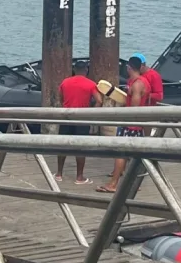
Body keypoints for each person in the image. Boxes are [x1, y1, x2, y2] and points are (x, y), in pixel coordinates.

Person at [98, 54, 150, 192]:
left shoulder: (138, 84)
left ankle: (113, 184)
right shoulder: (137, 81)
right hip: (135, 123)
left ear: (129, 67)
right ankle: (131, 183)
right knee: (132, 154)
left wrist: (126, 119)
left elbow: (134, 108)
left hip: (131, 124)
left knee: (121, 153)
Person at [56, 60, 103, 183]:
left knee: (62, 145)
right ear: (86, 70)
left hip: (66, 116)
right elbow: (99, 100)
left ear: (74, 70)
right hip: (82, 118)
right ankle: (79, 177)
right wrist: (91, 113)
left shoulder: (65, 82)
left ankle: (59, 174)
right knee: (80, 147)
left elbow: (61, 98)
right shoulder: (91, 84)